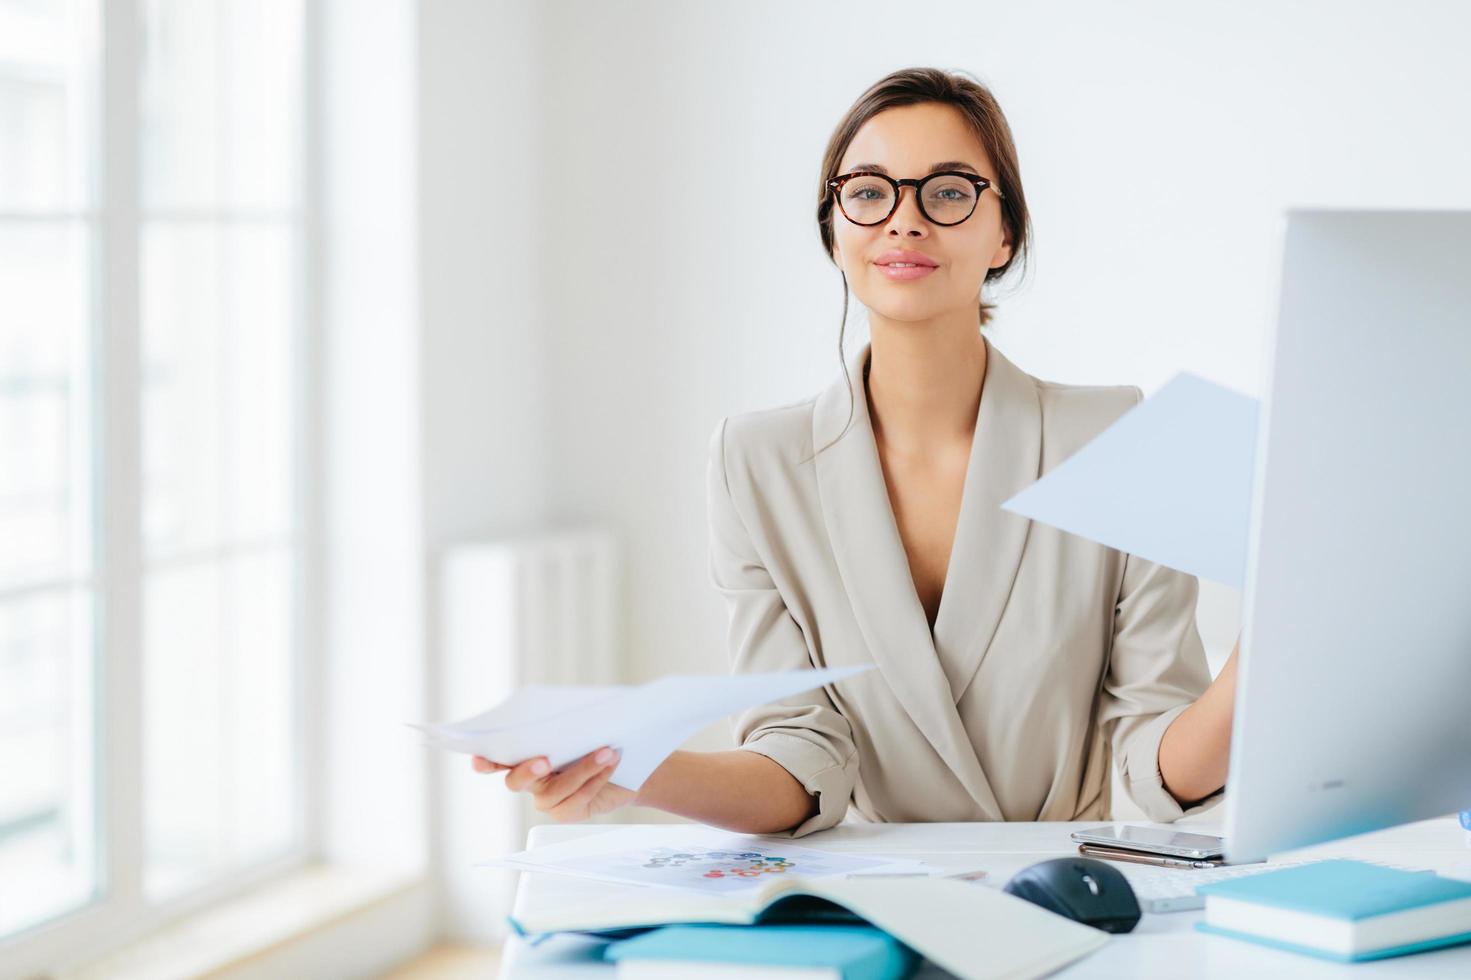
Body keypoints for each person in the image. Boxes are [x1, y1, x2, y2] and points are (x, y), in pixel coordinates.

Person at [472, 67, 1238, 838]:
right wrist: (631, 770)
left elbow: (1153, 757)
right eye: (869, 193)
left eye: (946, 191)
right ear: (834, 230)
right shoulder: (755, 463)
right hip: (876, 896)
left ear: (1004, 233)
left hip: (1074, 888)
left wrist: (1267, 652)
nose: (903, 221)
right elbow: (799, 758)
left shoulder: (1117, 436)